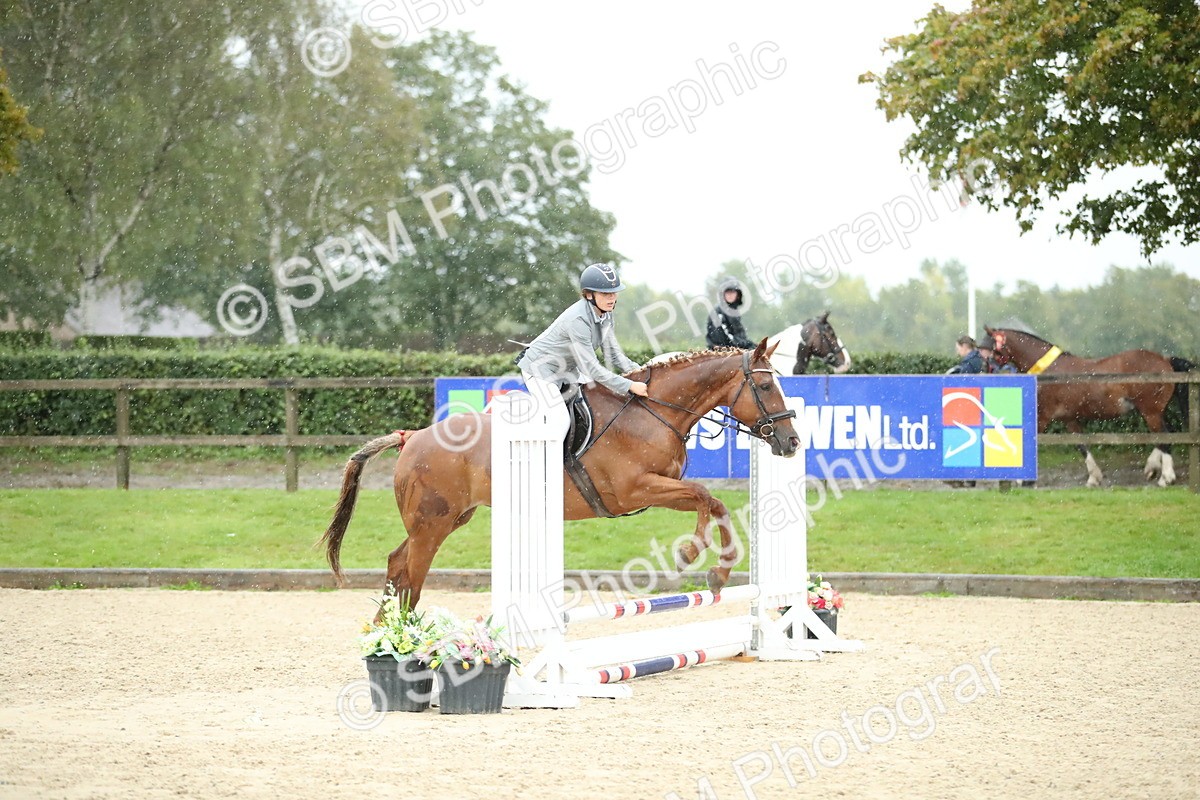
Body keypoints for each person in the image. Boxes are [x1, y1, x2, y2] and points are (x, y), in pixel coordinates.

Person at [516, 263, 647, 438]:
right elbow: (591, 368)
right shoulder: (578, 319)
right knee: (561, 420)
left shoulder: (606, 313)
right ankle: (548, 464)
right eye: (605, 293)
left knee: (597, 407)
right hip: (540, 370)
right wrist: (629, 385)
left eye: (614, 292)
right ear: (589, 294)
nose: (612, 298)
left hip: (568, 369)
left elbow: (612, 354)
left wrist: (642, 371)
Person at [705, 277, 756, 350]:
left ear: (738, 294)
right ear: (723, 294)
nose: (730, 295)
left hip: (734, 349)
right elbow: (724, 339)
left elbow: (739, 335)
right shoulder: (717, 313)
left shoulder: (734, 312)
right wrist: (748, 344)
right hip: (721, 353)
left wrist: (750, 344)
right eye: (727, 292)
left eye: (733, 292)